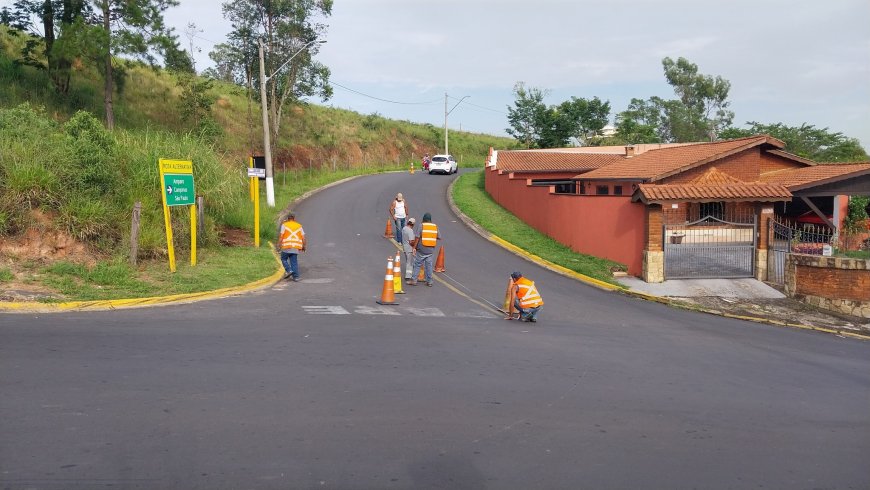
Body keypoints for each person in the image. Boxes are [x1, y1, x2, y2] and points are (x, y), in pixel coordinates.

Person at [409, 212, 440, 287]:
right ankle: (429, 281)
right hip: (431, 250)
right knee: (429, 266)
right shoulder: (435, 226)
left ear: (423, 219)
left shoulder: (421, 225)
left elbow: (417, 237)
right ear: (430, 219)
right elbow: (439, 237)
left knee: (417, 264)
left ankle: (414, 280)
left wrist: (414, 248)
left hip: (422, 249)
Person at [278, 211, 306, 281]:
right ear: (294, 218)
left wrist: (279, 245)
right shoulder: (299, 226)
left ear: (287, 218)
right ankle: (296, 277)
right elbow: (303, 238)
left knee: (283, 259)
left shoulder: (284, 225)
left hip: (286, 247)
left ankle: (289, 270)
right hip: (295, 248)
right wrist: (304, 246)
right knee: (294, 262)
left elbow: (281, 237)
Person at [401, 217, 417, 282]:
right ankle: (408, 276)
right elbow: (411, 241)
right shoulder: (410, 231)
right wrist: (415, 245)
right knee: (409, 262)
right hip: (409, 248)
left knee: (408, 261)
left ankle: (409, 274)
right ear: (413, 224)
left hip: (404, 247)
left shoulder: (404, 228)